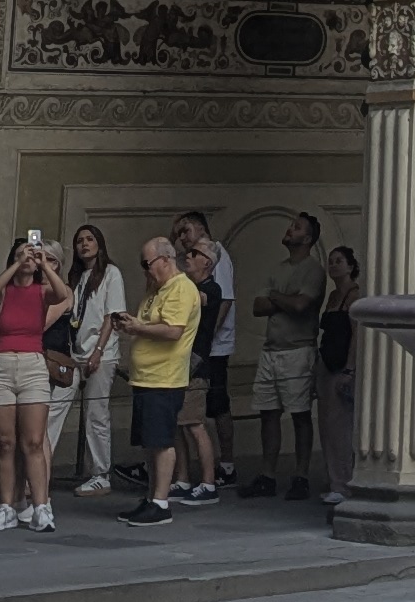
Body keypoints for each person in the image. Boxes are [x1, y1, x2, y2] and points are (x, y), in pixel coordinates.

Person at [0, 229, 65, 534]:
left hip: (32, 366)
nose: (27, 258)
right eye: (20, 254)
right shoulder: (4, 291)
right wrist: (18, 263)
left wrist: (43, 264)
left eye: (29, 254)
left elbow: (63, 294)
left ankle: (41, 506)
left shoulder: (42, 292)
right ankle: (7, 506)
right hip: (2, 365)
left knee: (33, 441)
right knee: (5, 442)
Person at [112, 233, 202, 518]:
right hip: (146, 377)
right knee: (150, 442)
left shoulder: (181, 289)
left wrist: (137, 328)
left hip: (165, 378)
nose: (145, 270)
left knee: (162, 441)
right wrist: (132, 324)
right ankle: (151, 496)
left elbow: (173, 331)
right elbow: (149, 324)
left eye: (147, 263)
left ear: (165, 260)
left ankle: (161, 503)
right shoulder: (156, 290)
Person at [250, 211, 326, 500]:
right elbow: (257, 307)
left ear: (307, 239)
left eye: (296, 227)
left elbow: (301, 306)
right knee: (268, 413)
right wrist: (286, 298)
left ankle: (301, 475)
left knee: (300, 415)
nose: (289, 229)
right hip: (271, 350)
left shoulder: (313, 270)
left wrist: (275, 297)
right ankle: (267, 475)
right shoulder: (278, 268)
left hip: (299, 350)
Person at [61, 221, 125, 495]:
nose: (84, 244)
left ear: (99, 243)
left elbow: (111, 315)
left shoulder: (111, 273)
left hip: (101, 353)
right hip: (76, 352)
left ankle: (101, 474)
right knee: (55, 406)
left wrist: (98, 351)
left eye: (89, 239)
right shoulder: (76, 277)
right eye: (79, 241)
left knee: (96, 414)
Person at [175, 209, 238, 443]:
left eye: (185, 231)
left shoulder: (215, 254)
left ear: (202, 228)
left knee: (217, 403)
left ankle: (227, 459)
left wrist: (207, 337)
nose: (182, 238)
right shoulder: (190, 259)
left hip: (214, 347)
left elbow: (225, 300)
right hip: (199, 345)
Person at [314, 242, 361, 504]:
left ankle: (343, 484)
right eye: (331, 261)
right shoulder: (332, 296)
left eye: (339, 261)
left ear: (351, 267)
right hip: (326, 363)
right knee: (326, 425)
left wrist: (350, 370)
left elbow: (356, 335)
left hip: (342, 366)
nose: (333, 265)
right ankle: (334, 479)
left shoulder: (354, 296)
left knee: (340, 426)